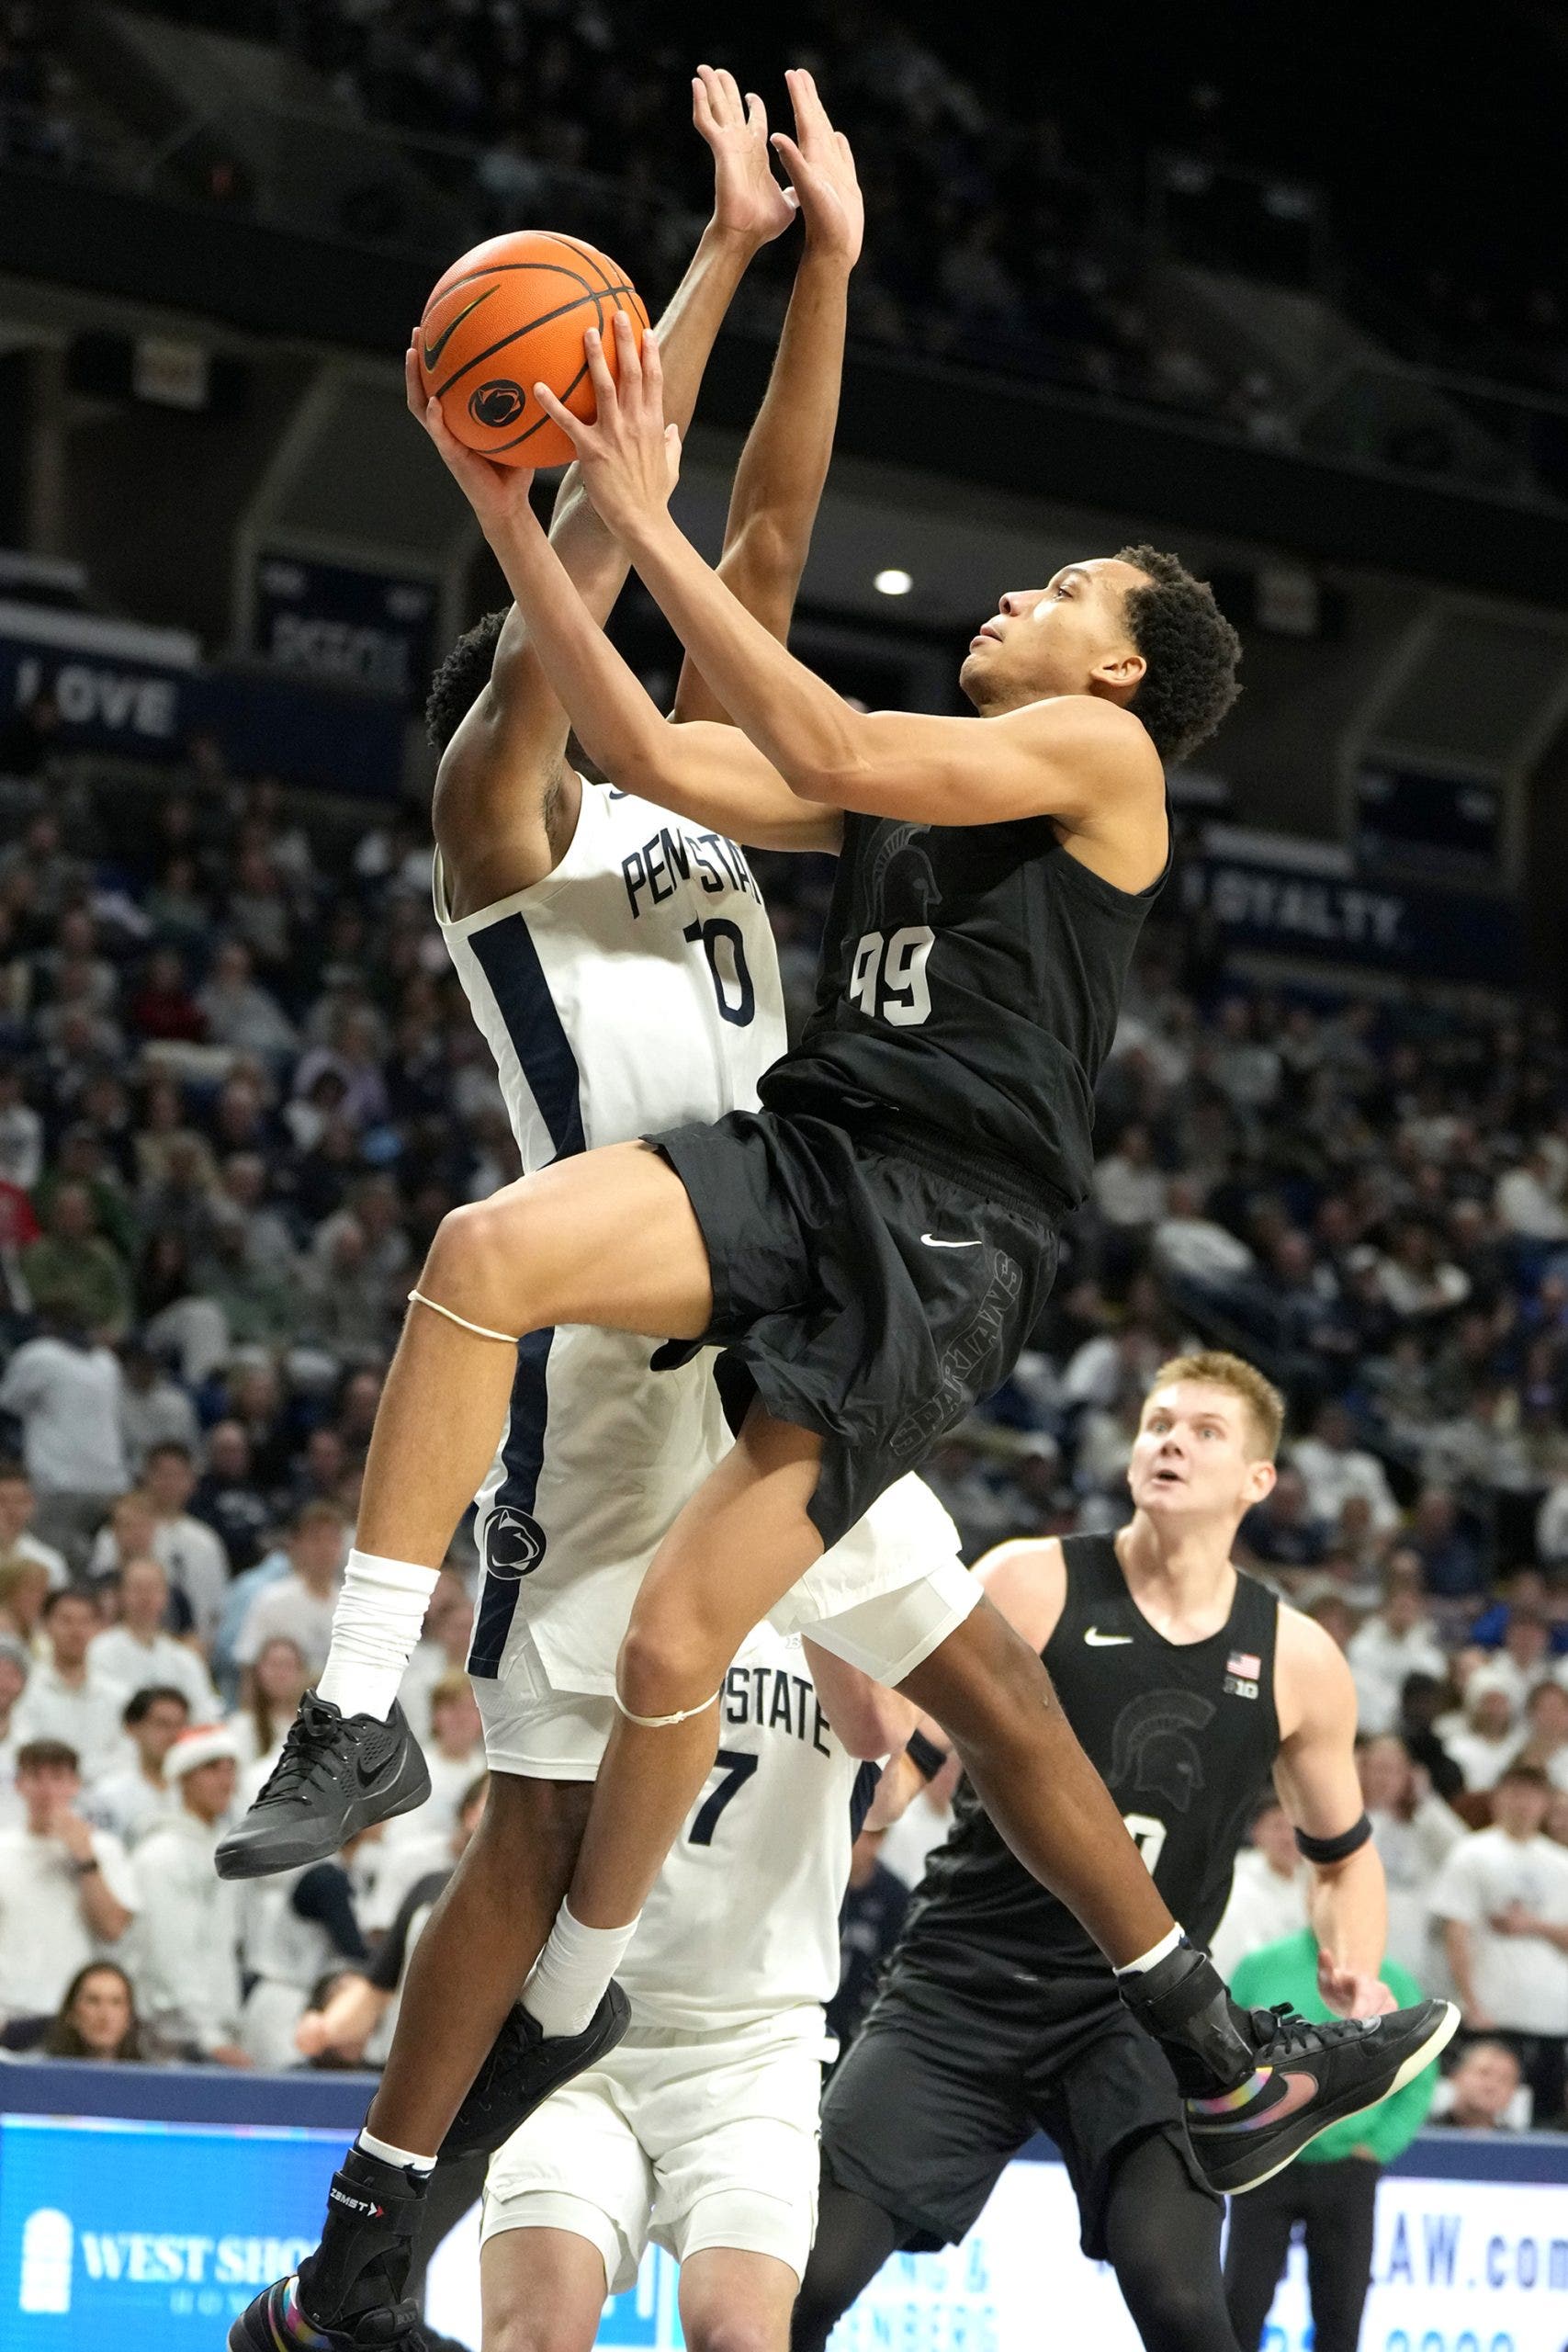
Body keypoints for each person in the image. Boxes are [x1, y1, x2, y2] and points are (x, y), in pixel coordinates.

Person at [224, 77, 1436, 2352]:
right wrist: (553, 479)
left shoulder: (697, 794)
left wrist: (775, 268)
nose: (592, 630)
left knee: (984, 1663)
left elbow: (741, 532)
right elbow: (601, 564)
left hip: (795, 1252)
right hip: (625, 1333)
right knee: (542, 1809)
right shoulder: (502, 802)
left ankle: (1203, 2039)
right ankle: (378, 2228)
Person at [790, 1353, 1455, 2352]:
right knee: (799, 2283)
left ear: (1259, 1481)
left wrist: (1350, 1958)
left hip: (1139, 2015)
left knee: (1187, 2303)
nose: (1171, 1442)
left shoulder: (1301, 1656)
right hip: (963, 1986)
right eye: (1157, 1423)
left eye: (1204, 1431)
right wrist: (858, 1757)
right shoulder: (1028, 1577)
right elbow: (901, 1766)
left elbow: (1342, 1851)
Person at [479, 1616, 906, 2352]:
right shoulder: (621, 1566)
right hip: (577, 2034)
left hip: (753, 2045)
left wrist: (808, 1562)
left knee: (740, 2333)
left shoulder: (845, 1587)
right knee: (534, 2336)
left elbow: (878, 1735)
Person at [1223, 1927, 1437, 2352]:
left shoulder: (1391, 1978)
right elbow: (1224, 2057)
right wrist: (1244, 2133)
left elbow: (1422, 2071)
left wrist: (1379, 2144)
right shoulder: (1259, 1967)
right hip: (1268, 2160)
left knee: (1341, 2312)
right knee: (1240, 2305)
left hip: (1347, 2166)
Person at [1431, 1761, 1568, 2123]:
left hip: (1553, 2017)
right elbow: (1455, 1933)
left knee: (1546, 2121)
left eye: (1532, 1796)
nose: (1523, 1804)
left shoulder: (1561, 1862)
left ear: (1546, 1804)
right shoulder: (1472, 1853)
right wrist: (1471, 2004)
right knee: (1480, 2113)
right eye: (1515, 1794)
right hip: (1492, 2014)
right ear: (1498, 1798)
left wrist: (1533, 1925)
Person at [128, 1724, 248, 2065]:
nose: (225, 1779)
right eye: (211, 1768)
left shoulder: (224, 1851)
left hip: (217, 2031)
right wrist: (208, 2038)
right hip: (173, 2042)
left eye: (230, 1768)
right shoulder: (160, 1855)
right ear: (183, 1777)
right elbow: (167, 1955)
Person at [0, 1738, 138, 2033]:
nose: (47, 1790)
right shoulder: (3, 1850)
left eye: (58, 1778)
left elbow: (113, 1928)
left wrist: (85, 1859)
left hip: (77, 2015)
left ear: (75, 1785)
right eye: (36, 1777)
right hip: (9, 2009)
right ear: (19, 1785)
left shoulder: (104, 1849)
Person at [13, 1585, 129, 1778]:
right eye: (66, 1621)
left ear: (99, 1628)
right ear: (45, 1625)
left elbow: (126, 1756)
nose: (76, 1631)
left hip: (106, 1796)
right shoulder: (25, 1691)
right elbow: (25, 1750)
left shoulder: (118, 1696)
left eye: (85, 1622)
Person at [88, 1554, 220, 1719]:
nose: (145, 1597)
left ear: (165, 1596)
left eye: (153, 1588)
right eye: (137, 1588)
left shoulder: (184, 1659)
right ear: (120, 1595)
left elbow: (204, 1713)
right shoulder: (100, 1650)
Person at [1208, 1797, 1308, 1980]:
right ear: (1256, 1832)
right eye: (1278, 1826)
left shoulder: (1314, 1884)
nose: (1288, 1837)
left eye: (1295, 1828)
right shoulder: (1237, 1886)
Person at [82, 1683, 189, 1846]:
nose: (173, 1735)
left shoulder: (199, 1790)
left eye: (180, 1725)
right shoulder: (108, 1795)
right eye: (162, 1724)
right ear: (132, 1728)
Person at [39, 1958, 144, 2062]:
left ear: (130, 2016)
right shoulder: (40, 2071)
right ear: (71, 2014)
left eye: (116, 2002)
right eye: (93, 2001)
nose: (105, 2015)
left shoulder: (150, 2074)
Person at [1431, 2036, 1524, 2129]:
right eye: (1484, 2073)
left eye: (1504, 2080)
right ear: (1456, 2075)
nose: (1491, 2086)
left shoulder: (1518, 2140)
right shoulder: (1425, 2130)